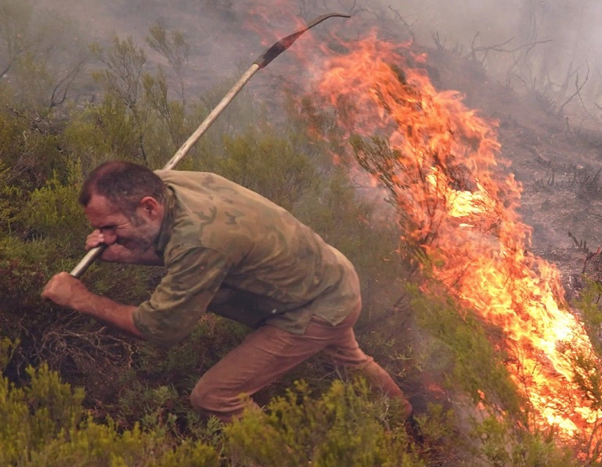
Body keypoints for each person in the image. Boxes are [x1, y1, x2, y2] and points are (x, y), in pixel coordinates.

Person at [41, 161, 409, 421]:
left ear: (149, 207)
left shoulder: (201, 242)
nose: (104, 237)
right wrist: (127, 249)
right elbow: (187, 249)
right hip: (328, 276)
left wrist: (80, 298)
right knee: (349, 357)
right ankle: (410, 422)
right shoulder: (170, 185)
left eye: (109, 226)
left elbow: (159, 326)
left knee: (215, 396)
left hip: (313, 308)